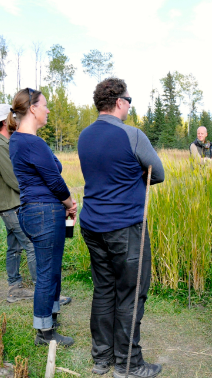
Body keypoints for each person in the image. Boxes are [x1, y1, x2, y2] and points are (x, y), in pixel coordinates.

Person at [78, 78, 165, 378]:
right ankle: (129, 364)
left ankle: (101, 359)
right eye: (129, 100)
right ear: (119, 102)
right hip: (124, 227)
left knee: (104, 290)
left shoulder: (84, 136)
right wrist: (137, 172)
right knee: (131, 293)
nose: (130, 106)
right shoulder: (133, 135)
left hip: (91, 224)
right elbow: (159, 173)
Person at [8, 88, 77, 347]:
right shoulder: (31, 142)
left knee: (52, 267)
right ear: (33, 109)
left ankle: (52, 315)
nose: (48, 110)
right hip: (45, 212)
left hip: (35, 210)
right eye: (45, 105)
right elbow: (55, 182)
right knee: (47, 272)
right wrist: (70, 204)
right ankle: (45, 332)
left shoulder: (18, 140)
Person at [0, 104, 37, 303]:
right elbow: (14, 179)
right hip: (10, 204)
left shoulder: (3, 142)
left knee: (14, 247)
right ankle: (43, 290)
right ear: (6, 120)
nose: (18, 119)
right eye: (14, 116)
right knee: (31, 244)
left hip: (10, 203)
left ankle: (15, 288)